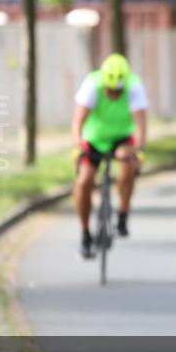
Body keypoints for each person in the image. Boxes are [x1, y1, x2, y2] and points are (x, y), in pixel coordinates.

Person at [71, 53, 147, 259]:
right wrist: (78, 147)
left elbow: (140, 127)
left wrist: (136, 151)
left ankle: (122, 215)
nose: (113, 94)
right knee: (84, 180)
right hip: (94, 138)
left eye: (117, 91)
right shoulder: (92, 85)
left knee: (127, 165)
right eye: (110, 90)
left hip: (122, 138)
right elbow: (78, 122)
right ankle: (85, 234)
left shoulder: (134, 87)